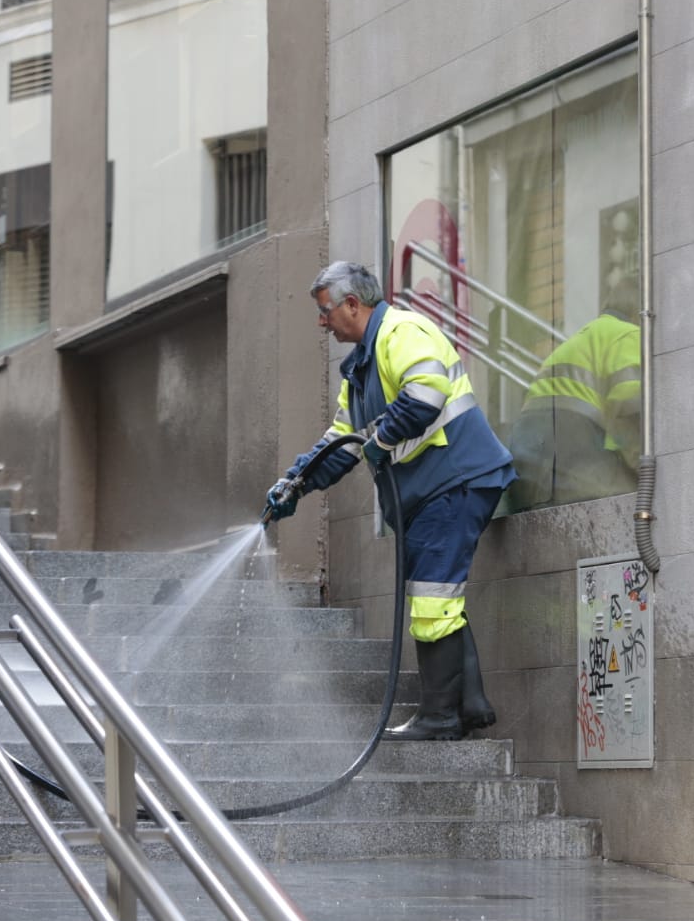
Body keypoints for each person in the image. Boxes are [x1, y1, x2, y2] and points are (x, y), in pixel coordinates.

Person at [265, 261, 517, 741]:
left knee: (432, 597)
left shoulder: (401, 332)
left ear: (352, 305)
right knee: (437, 595)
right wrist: (295, 482)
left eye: (325, 311)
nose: (321, 322)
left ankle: (439, 717)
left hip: (455, 478)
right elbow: (342, 441)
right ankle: (470, 703)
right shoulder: (360, 369)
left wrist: (380, 442)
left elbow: (425, 394)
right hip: (437, 488)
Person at [506, 283, 641, 511]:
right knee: (623, 504)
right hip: (574, 439)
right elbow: (630, 410)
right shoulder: (628, 334)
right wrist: (642, 468)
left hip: (528, 447)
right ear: (639, 313)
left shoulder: (580, 338)